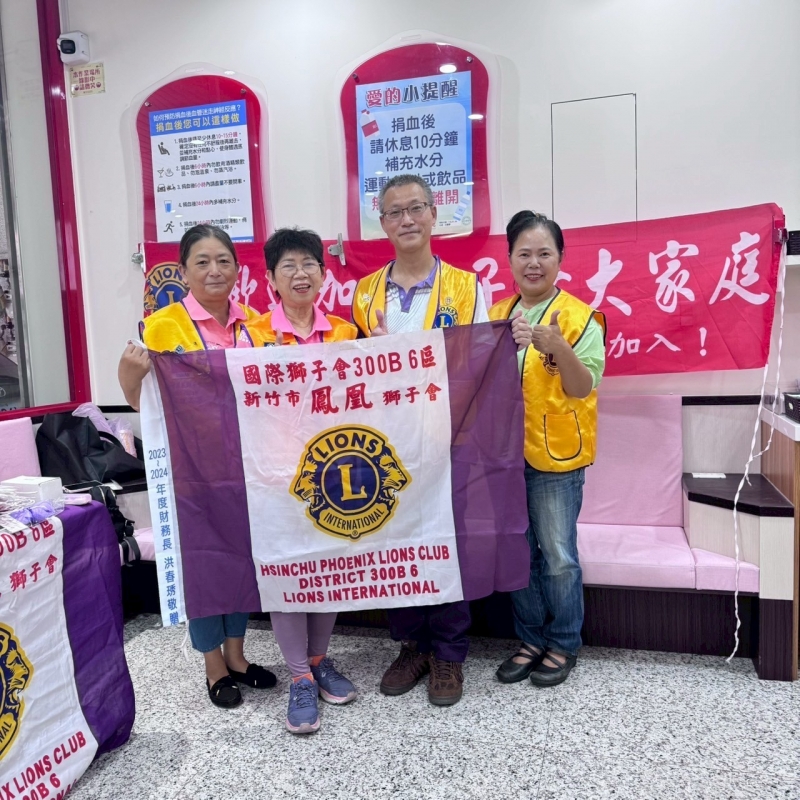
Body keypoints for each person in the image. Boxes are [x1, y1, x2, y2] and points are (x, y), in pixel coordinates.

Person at [352, 174, 530, 706]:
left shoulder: (465, 286)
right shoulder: (365, 292)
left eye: (416, 208)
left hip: (452, 436)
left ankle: (450, 652)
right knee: (395, 536)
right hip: (389, 440)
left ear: (434, 214)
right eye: (394, 211)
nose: (406, 219)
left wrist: (513, 341)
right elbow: (350, 373)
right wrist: (374, 353)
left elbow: (478, 359)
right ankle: (413, 645)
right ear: (382, 222)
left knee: (450, 540)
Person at [117, 224, 277, 709]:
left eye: (224, 260)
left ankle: (238, 656)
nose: (214, 270)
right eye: (202, 262)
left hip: (247, 465)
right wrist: (128, 376)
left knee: (241, 558)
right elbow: (142, 402)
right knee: (204, 562)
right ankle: (213, 665)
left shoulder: (256, 325)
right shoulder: (160, 326)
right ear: (183, 272)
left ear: (238, 270)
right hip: (191, 469)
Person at [246, 227, 359, 734]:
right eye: (288, 266)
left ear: (323, 273)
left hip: (333, 471)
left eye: (309, 264)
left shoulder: (345, 334)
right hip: (273, 476)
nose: (300, 274)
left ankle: (317, 660)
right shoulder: (252, 335)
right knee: (287, 574)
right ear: (270, 278)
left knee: (329, 568)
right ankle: (298, 677)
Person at [490, 210, 606, 688]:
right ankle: (530, 639)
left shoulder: (581, 317)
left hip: (556, 456)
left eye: (544, 253)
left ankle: (563, 642)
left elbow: (582, 388)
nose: (533, 263)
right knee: (519, 552)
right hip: (502, 458)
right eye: (524, 254)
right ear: (509, 259)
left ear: (560, 259)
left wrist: (558, 348)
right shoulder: (496, 315)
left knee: (558, 555)